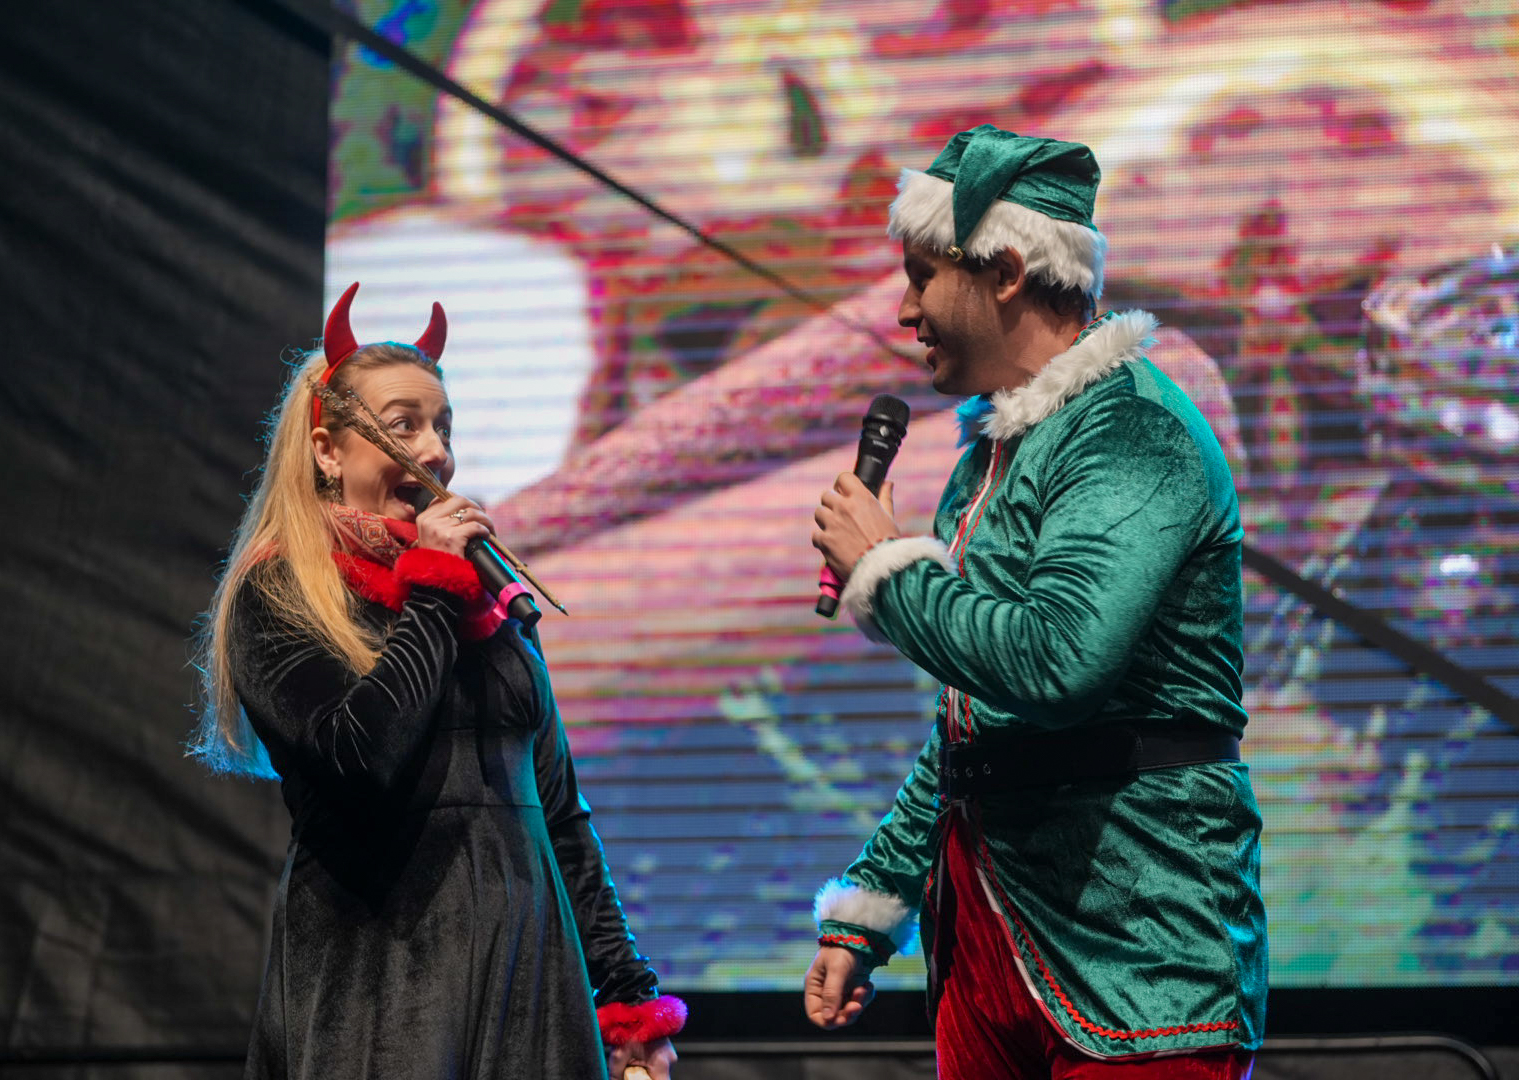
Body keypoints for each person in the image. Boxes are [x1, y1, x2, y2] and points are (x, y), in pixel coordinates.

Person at [803, 124, 1268, 1078]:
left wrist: (886, 569)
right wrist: (873, 906)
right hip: (992, 946)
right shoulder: (990, 457)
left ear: (1007, 272)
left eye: (922, 277)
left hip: (1136, 960)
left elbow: (1058, 664)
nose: (903, 310)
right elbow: (977, 725)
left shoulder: (1131, 430)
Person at [190, 284, 684, 1079]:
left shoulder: (486, 607)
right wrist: (432, 589)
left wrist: (627, 1000)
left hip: (530, 976)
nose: (436, 452)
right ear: (328, 451)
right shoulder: (281, 592)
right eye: (404, 425)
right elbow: (360, 755)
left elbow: (559, 811)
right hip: (383, 976)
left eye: (443, 427)